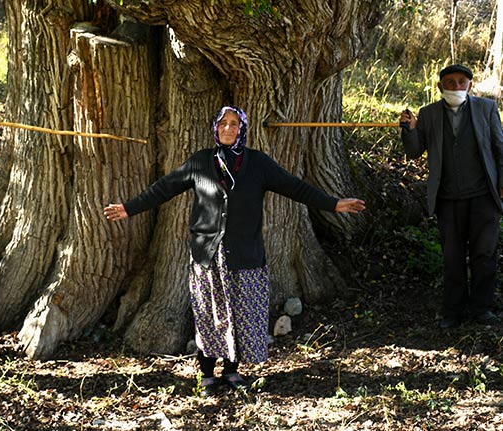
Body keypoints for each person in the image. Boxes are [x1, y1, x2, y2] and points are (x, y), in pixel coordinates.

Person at [104, 106, 365, 396]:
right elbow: (165, 188)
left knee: (241, 316)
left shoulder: (258, 163)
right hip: (208, 256)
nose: (228, 129)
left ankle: (231, 371)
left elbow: (296, 188)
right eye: (223, 124)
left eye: (234, 124)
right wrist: (129, 208)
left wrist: (334, 204)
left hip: (246, 254)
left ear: (243, 129)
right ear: (215, 128)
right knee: (209, 316)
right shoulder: (201, 162)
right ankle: (206, 375)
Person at [400, 64, 503, 329]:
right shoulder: (429, 114)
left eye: (461, 82)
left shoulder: (486, 109)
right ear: (440, 87)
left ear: (470, 84)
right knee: (453, 257)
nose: (456, 87)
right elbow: (414, 152)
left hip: (483, 196)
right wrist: (409, 129)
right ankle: (453, 311)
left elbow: (499, 147)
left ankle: (482, 309)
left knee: (485, 254)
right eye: (449, 82)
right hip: (448, 199)